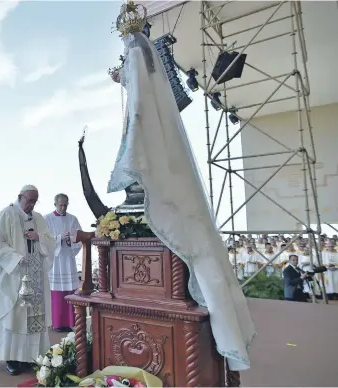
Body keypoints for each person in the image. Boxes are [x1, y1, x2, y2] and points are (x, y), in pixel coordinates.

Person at [106, 2, 255, 371]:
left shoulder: (137, 54)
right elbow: (141, 90)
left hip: (148, 130)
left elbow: (140, 104)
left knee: (154, 175)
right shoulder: (147, 55)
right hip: (157, 132)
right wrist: (122, 78)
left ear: (128, 37)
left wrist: (134, 139)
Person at [0, 185, 56, 376]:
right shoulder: (7, 215)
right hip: (14, 277)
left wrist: (38, 237)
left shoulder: (39, 218)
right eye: (29, 200)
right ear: (20, 197)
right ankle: (12, 359)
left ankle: (31, 357)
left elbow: (50, 240)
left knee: (32, 317)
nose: (31, 204)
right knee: (15, 316)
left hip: (35, 277)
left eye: (35, 201)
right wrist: (15, 258)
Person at [44, 193, 82, 332]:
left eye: (65, 204)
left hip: (68, 260)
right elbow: (44, 240)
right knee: (57, 293)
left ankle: (69, 322)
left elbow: (79, 238)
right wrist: (59, 238)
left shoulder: (73, 219)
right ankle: (57, 323)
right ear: (55, 204)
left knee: (70, 291)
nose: (63, 207)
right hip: (55, 261)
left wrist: (70, 240)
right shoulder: (47, 219)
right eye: (60, 204)